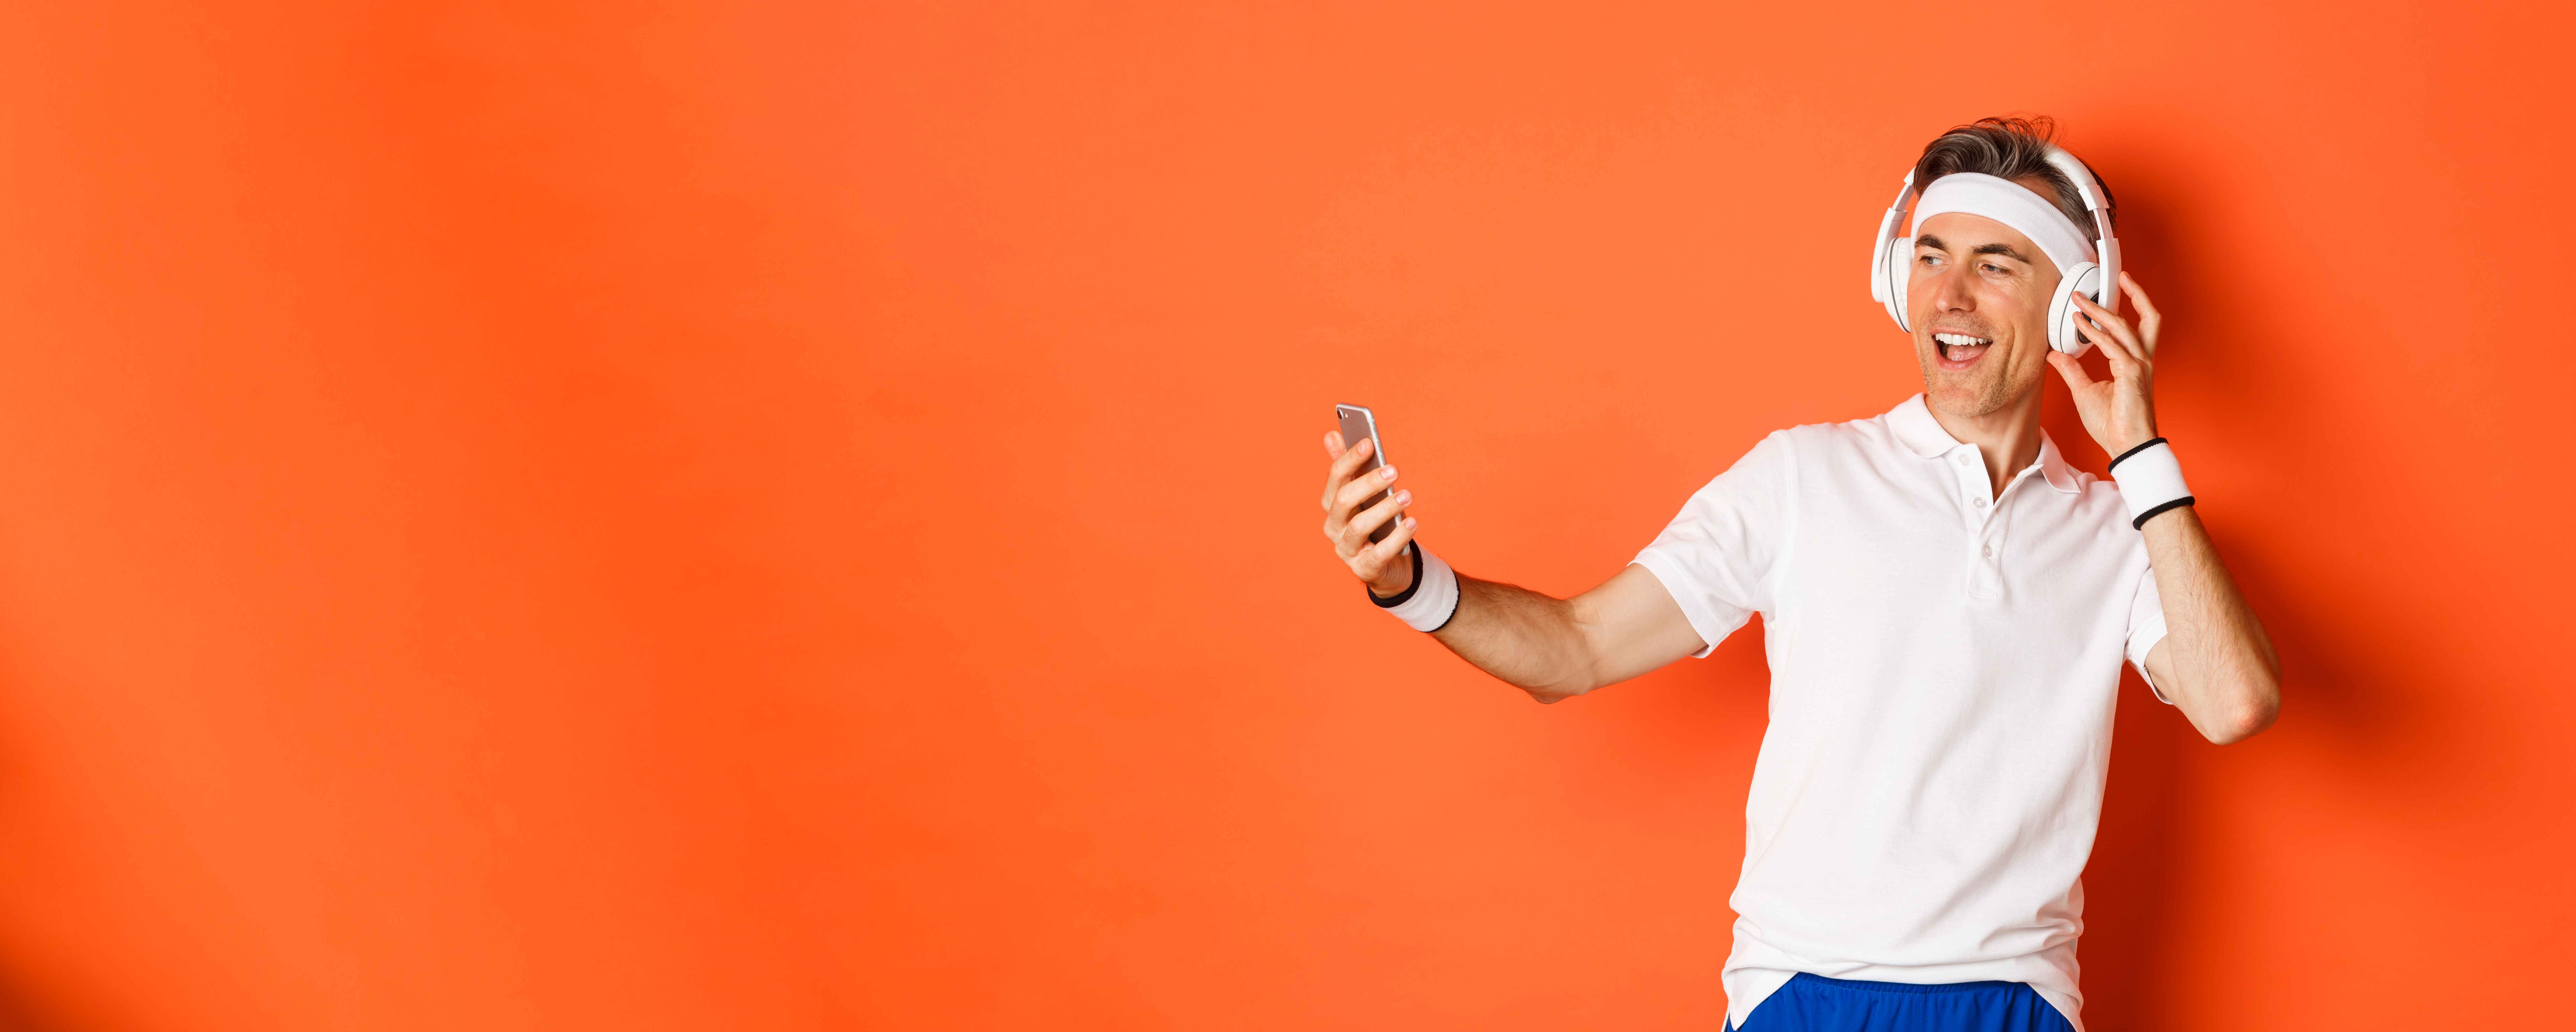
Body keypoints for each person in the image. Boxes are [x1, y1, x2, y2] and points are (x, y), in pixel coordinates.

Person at [1313, 116, 2279, 1032]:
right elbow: (1575, 649)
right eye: (1929, 257)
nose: (1947, 297)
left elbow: (2232, 703)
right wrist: (1409, 582)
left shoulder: (2122, 529)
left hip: (2012, 998)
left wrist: (2141, 457)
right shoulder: (1799, 477)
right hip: (1801, 991)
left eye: (1995, 266)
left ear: (2075, 308)